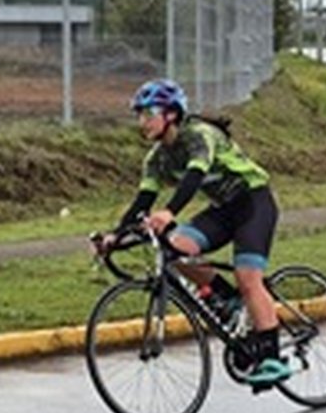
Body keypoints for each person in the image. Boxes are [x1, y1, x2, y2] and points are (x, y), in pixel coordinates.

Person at [100, 79, 290, 390]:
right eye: (139, 115)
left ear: (171, 114)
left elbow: (194, 176)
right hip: (223, 210)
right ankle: (227, 299)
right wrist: (114, 237)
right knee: (171, 249)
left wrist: (170, 212)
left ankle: (272, 357)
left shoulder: (200, 135)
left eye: (148, 113)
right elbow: (142, 203)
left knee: (248, 278)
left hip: (254, 202)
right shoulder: (156, 158)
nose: (142, 122)